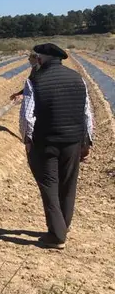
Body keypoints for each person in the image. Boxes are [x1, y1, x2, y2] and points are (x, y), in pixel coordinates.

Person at [19, 43, 94, 249]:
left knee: (49, 186)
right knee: (68, 185)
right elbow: (87, 111)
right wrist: (87, 141)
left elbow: (27, 115)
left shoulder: (35, 80)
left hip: (45, 142)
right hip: (72, 141)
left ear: (42, 59)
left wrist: (27, 139)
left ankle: (57, 235)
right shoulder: (77, 79)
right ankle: (63, 226)